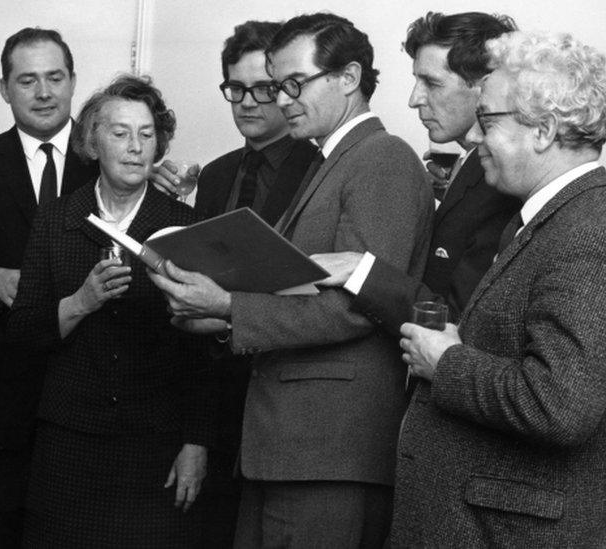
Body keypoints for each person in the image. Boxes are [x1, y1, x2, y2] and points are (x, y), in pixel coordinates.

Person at [149, 13, 432, 547]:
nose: (281, 100)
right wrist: (216, 314)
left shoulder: (382, 159)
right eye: (280, 86)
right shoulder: (334, 160)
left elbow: (358, 304)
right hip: (291, 445)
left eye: (294, 84)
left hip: (328, 449)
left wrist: (229, 306)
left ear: (348, 78)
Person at [394, 31, 606, 547]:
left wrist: (445, 363)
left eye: (487, 121)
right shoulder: (554, 219)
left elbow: (560, 403)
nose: (472, 138)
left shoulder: (586, 230)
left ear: (544, 130)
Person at [6, 74, 214, 548]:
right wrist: (81, 302)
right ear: (92, 141)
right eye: (120, 133)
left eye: (146, 134)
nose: (135, 146)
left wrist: (196, 444)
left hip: (153, 448)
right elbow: (22, 335)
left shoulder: (184, 226)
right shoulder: (58, 220)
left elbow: (204, 356)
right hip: (69, 447)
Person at [0, 27, 98, 548]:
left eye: (55, 77)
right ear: (4, 88)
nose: (43, 92)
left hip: (93, 378)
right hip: (6, 383)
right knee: (11, 527)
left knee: (86, 527)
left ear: (74, 82)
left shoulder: (110, 159)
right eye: (27, 80)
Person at [175, 20, 321, 548]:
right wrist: (195, 435)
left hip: (286, 400)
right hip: (215, 400)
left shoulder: (320, 170)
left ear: (286, 89)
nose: (247, 102)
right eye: (235, 89)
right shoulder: (214, 177)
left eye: (263, 88)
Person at [311, 12, 520, 333]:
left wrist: (361, 269)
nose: (414, 99)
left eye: (432, 83)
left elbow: (463, 320)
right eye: (416, 81)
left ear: (485, 85)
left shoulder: (503, 179)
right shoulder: (470, 167)